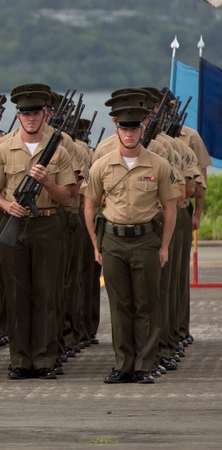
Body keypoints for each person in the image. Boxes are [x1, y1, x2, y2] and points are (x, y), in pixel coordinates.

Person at [84, 98, 180, 384]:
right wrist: (95, 245)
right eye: (124, 128)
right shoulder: (102, 165)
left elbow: (170, 207)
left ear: (142, 129)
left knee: (147, 304)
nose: (129, 133)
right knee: (120, 305)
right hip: (112, 240)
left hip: (146, 239)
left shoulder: (159, 165)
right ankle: (123, 364)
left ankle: (145, 364)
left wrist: (163, 245)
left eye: (134, 128)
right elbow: (89, 207)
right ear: (117, 131)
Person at [0, 84, 78, 380]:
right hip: (16, 224)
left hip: (48, 224)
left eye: (36, 112)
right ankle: (19, 359)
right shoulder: (4, 148)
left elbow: (67, 196)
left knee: (47, 293)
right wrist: (6, 206)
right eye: (25, 113)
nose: (31, 118)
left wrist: (48, 182)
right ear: (18, 115)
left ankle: (45, 358)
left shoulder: (60, 149)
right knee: (16, 294)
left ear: (45, 114)